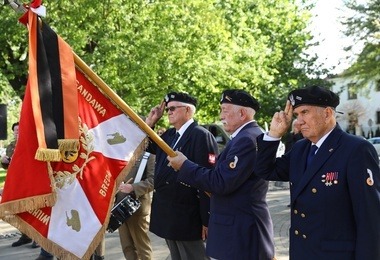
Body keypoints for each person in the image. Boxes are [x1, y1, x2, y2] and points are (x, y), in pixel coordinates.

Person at [254, 85, 380, 259]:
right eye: (297, 115)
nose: (298, 121)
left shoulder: (356, 149)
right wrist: (274, 135)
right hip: (302, 252)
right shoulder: (300, 149)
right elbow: (265, 171)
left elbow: (370, 219)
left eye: (305, 112)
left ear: (327, 114)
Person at [168, 89, 275, 260]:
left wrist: (185, 166)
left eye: (225, 110)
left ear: (242, 113)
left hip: (240, 231)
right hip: (237, 229)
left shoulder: (247, 139)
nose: (220, 116)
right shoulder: (245, 136)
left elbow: (221, 182)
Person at [146, 91, 219, 260]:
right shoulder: (170, 135)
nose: (169, 112)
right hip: (169, 213)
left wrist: (206, 219)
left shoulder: (201, 135)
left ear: (187, 110)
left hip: (188, 214)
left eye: (172, 108)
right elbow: (147, 146)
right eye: (167, 110)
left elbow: (208, 178)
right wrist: (150, 122)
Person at [3, 122, 38, 248]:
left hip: (30, 180)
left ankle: (38, 238)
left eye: (19, 129)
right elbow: (9, 166)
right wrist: (4, 162)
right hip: (17, 182)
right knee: (20, 210)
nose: (17, 132)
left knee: (34, 210)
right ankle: (25, 235)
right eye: (15, 130)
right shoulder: (10, 146)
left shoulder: (31, 142)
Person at [116, 150, 155, 259]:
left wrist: (133, 187)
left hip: (137, 207)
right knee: (127, 247)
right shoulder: (121, 152)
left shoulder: (149, 155)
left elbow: (153, 181)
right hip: (119, 206)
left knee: (142, 248)